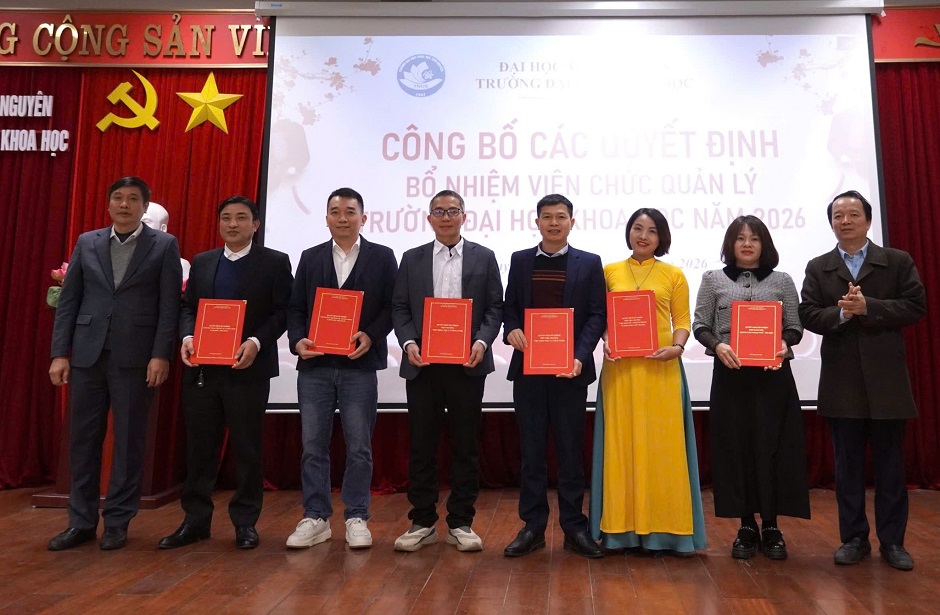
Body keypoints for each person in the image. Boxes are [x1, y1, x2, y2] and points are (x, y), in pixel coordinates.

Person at [48, 176, 182, 551]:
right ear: (108, 204)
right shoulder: (87, 242)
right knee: (83, 440)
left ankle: (118, 521)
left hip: (136, 358)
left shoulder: (164, 245)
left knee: (128, 442)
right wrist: (60, 353)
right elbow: (69, 301)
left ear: (145, 206)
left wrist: (161, 354)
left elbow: (169, 306)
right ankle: (80, 522)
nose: (125, 205)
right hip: (87, 356)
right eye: (118, 198)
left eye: (133, 199)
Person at [799, 190, 926, 571]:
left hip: (887, 381)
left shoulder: (897, 261)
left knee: (890, 468)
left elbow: (916, 306)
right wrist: (841, 314)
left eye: (854, 214)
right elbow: (808, 314)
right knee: (848, 468)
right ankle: (853, 539)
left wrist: (869, 307)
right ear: (831, 223)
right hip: (842, 382)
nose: (846, 221)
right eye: (838, 215)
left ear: (868, 221)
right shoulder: (819, 267)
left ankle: (893, 542)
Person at [158, 196, 292, 551]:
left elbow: (282, 312)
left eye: (242, 218)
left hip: (248, 369)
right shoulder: (203, 262)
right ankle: (195, 521)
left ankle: (245, 522)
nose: (233, 224)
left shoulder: (275, 262)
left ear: (255, 225)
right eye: (227, 218)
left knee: (248, 448)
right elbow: (188, 307)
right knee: (199, 449)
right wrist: (188, 337)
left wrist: (256, 342)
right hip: (202, 371)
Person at [284, 187, 398, 550]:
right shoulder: (311, 256)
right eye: (335, 212)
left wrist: (371, 335)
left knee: (360, 446)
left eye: (350, 212)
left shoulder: (382, 257)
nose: (343, 218)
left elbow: (393, 306)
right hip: (315, 367)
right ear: (326, 218)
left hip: (358, 368)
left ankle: (356, 516)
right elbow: (296, 308)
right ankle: (316, 516)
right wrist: (297, 340)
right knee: (312, 446)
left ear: (363, 218)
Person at [588, 207, 706, 555]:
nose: (643, 236)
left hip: (661, 370)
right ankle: (620, 531)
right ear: (628, 232)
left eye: (652, 230)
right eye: (637, 228)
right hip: (621, 371)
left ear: (661, 237)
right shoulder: (609, 271)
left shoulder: (673, 274)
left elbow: (681, 320)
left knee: (664, 450)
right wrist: (606, 340)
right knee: (620, 448)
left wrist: (678, 347)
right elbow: (601, 320)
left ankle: (668, 532)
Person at [692, 215, 810, 560]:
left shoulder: (782, 280)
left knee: (774, 447)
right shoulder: (712, 279)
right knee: (736, 448)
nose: (747, 244)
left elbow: (795, 326)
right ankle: (746, 525)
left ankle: (771, 525)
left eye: (754, 238)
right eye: (740, 238)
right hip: (731, 375)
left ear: (764, 244)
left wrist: (785, 343)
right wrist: (718, 345)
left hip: (773, 377)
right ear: (730, 244)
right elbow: (700, 324)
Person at [391, 189, 503, 552]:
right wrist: (408, 343)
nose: (446, 217)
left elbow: (495, 308)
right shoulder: (412, 258)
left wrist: (482, 342)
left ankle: (461, 523)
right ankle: (422, 521)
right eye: (438, 211)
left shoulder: (484, 257)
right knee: (421, 445)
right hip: (422, 365)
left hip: (467, 365)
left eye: (452, 211)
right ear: (429, 218)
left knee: (465, 446)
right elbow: (399, 307)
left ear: (464, 217)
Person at [501, 194, 607, 559]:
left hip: (569, 372)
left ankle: (574, 527)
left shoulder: (589, 263)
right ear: (537, 222)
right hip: (529, 371)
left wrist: (579, 356)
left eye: (561, 217)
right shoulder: (520, 260)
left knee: (569, 451)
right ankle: (532, 527)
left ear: (572, 222)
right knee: (532, 452)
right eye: (547, 217)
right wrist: (512, 329)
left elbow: (597, 314)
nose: (554, 223)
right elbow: (509, 308)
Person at [141, 201, 192, 280]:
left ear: (163, 229)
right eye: (138, 221)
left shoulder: (181, 265)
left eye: (146, 222)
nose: (140, 225)